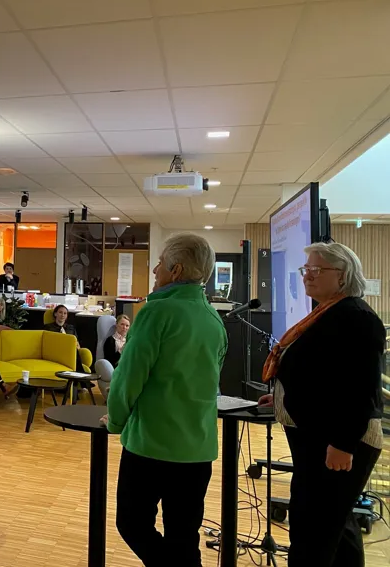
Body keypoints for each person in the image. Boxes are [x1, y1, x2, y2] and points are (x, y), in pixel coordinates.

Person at [100, 233, 226, 567]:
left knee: (132, 523)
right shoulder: (214, 320)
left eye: (159, 263)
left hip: (152, 445)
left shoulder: (156, 312)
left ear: (176, 269)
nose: (155, 270)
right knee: (184, 535)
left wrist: (115, 421)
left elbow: (128, 377)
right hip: (198, 449)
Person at [257, 242, 384, 567]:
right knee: (337, 528)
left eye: (317, 270)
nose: (307, 276)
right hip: (318, 434)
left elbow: (361, 388)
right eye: (306, 269)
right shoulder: (328, 312)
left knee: (313, 532)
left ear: (342, 276)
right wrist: (283, 395)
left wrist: (342, 444)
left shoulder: (356, 317)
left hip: (338, 439)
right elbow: (324, 375)